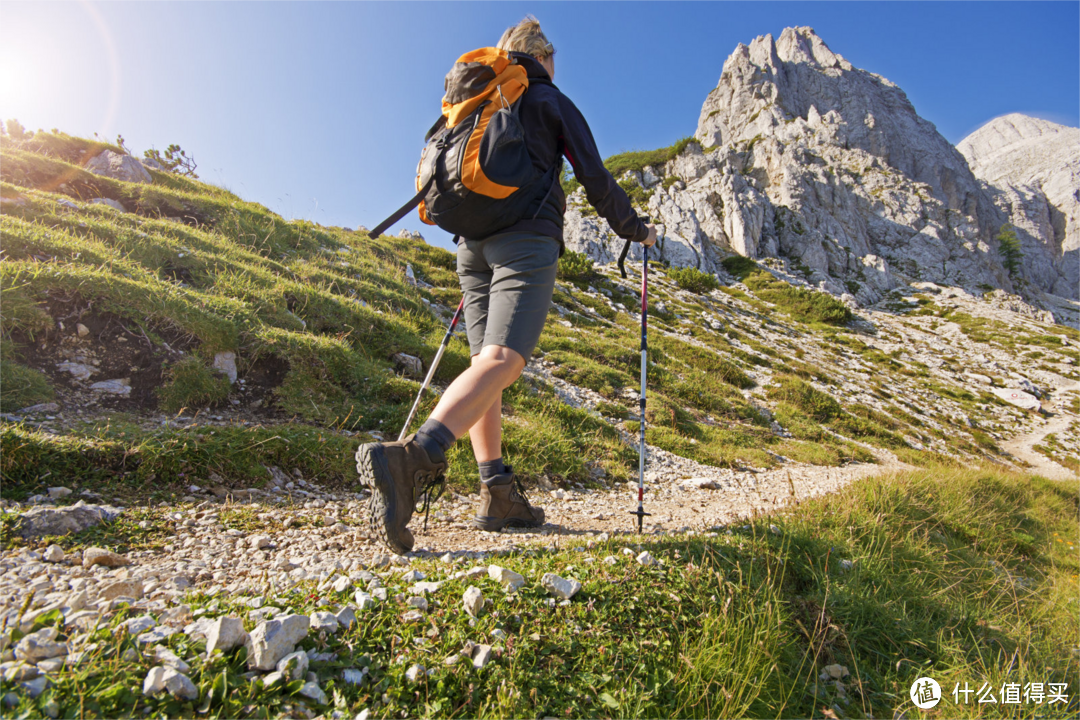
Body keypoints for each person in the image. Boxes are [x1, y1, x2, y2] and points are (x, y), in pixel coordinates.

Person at [356, 16, 658, 553]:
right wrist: (636, 229)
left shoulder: (477, 103)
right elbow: (594, 175)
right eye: (553, 60)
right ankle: (412, 458)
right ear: (542, 57)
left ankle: (497, 493)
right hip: (525, 241)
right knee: (506, 360)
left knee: (484, 368)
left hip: (471, 247)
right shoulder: (546, 98)